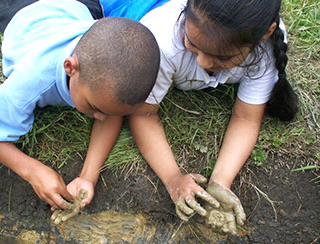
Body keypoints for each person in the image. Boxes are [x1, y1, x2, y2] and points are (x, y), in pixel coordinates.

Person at [101, 0, 298, 234]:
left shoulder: (266, 46)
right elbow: (143, 114)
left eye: (221, 57)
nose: (203, 62)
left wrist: (220, 182)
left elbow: (246, 118)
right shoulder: (160, 40)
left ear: (265, 34)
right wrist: (173, 179)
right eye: (192, 43)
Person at [0, 0, 161, 214]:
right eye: (94, 107)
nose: (100, 118)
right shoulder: (33, 79)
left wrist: (88, 177)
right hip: (21, 7)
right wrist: (33, 171)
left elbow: (111, 112)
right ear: (70, 68)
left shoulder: (105, 54)